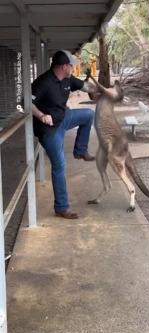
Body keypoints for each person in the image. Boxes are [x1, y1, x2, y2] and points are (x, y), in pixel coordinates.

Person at [32, 50, 97, 220]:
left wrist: (100, 90)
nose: (73, 68)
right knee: (59, 165)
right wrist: (41, 115)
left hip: (63, 119)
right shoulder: (43, 82)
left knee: (88, 114)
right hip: (49, 129)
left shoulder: (67, 79)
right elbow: (24, 104)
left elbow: (86, 87)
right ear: (63, 67)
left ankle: (80, 150)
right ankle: (61, 207)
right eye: (71, 65)